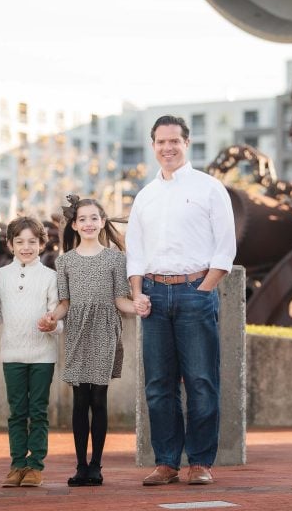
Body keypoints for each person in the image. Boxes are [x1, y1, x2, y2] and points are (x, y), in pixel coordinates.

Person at [126, 115, 236, 486]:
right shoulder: (145, 195)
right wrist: (138, 292)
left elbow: (225, 248)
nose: (168, 148)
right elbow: (135, 252)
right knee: (158, 385)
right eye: (161, 142)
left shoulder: (209, 188)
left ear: (186, 143)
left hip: (195, 293)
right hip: (154, 297)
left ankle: (201, 462)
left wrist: (204, 288)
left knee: (202, 381)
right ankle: (167, 462)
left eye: (174, 141)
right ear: (153, 145)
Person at [48, 195, 143, 487]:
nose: (88, 223)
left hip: (104, 329)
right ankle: (80, 466)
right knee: (80, 400)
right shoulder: (63, 261)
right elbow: (64, 303)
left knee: (98, 399)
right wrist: (52, 316)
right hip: (77, 331)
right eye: (82, 219)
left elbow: (120, 300)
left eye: (94, 218)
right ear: (74, 225)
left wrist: (138, 305)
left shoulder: (116, 258)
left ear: (102, 222)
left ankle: (96, 466)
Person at [0, 216, 62, 488]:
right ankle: (17, 464)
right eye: (20, 242)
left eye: (32, 241)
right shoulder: (0, 276)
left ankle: (35, 466)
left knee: (38, 411)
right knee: (17, 412)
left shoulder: (51, 277)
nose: (26, 247)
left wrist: (51, 324)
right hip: (12, 355)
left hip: (43, 357)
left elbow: (59, 318)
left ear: (42, 244)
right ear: (10, 244)